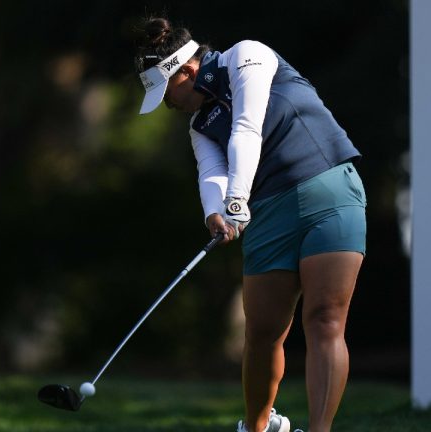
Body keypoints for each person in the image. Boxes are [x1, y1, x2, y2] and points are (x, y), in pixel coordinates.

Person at [135, 17, 367, 432]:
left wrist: (237, 197)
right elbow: (211, 174)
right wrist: (216, 213)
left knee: (325, 318)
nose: (168, 104)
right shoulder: (199, 126)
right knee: (262, 331)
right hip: (268, 212)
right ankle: (257, 427)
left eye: (167, 93)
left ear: (187, 71)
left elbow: (247, 126)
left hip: (328, 188)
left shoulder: (247, 56)